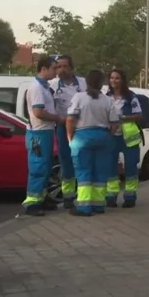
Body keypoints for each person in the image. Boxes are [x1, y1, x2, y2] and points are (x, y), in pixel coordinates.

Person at [66, 70, 119, 217]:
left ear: (87, 82)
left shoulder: (79, 97)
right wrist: (108, 135)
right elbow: (115, 123)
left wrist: (70, 137)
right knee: (100, 172)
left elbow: (70, 119)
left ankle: (84, 206)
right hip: (103, 137)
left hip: (82, 136)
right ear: (102, 83)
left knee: (83, 172)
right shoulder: (107, 100)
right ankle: (98, 204)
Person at [22, 57, 63, 216]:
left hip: (44, 132)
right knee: (38, 169)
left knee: (45, 168)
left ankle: (42, 198)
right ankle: (32, 204)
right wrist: (57, 118)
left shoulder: (44, 87)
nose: (56, 71)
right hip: (38, 133)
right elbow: (39, 113)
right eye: (54, 68)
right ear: (44, 69)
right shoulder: (37, 88)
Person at [50, 55, 87, 209]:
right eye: (58, 66)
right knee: (66, 161)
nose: (61, 69)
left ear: (72, 68)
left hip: (81, 127)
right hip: (62, 127)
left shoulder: (83, 83)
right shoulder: (52, 85)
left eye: (65, 66)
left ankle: (83, 194)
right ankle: (68, 197)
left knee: (82, 160)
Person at [105, 69, 143, 208]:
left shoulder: (130, 97)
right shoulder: (107, 96)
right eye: (112, 78)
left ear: (122, 80)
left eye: (117, 78)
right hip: (112, 137)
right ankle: (111, 195)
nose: (114, 80)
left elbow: (139, 115)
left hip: (129, 137)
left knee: (131, 167)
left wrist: (123, 118)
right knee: (110, 167)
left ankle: (130, 196)